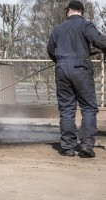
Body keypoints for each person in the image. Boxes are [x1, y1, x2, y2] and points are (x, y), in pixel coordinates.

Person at [47, 1, 106, 157]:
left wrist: (62, 62)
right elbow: (99, 41)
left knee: (66, 109)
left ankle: (68, 147)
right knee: (88, 108)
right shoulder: (85, 25)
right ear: (81, 12)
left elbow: (50, 49)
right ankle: (86, 145)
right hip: (80, 69)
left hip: (61, 69)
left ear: (70, 11)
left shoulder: (57, 29)